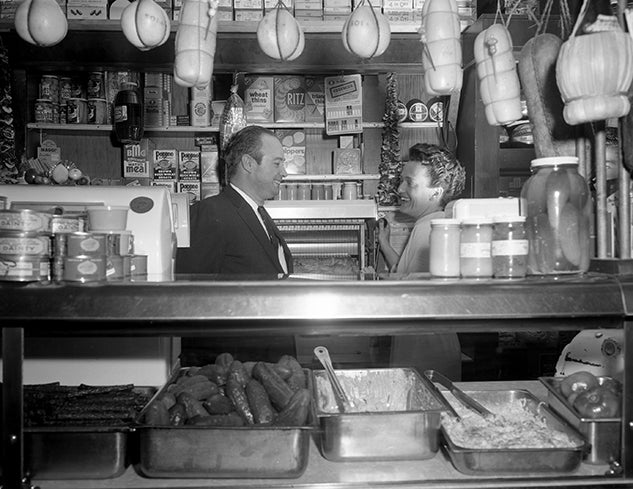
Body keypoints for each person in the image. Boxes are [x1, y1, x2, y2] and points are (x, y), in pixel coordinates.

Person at [378, 142, 466, 380]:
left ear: (436, 192)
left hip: (424, 348)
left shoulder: (430, 228)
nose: (399, 188)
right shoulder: (434, 223)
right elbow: (411, 276)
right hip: (427, 341)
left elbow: (407, 293)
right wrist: (385, 244)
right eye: (401, 180)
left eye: (409, 182)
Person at [176, 125, 293, 277]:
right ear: (248, 163)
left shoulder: (259, 213)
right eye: (277, 164)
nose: (284, 173)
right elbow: (188, 287)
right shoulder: (210, 213)